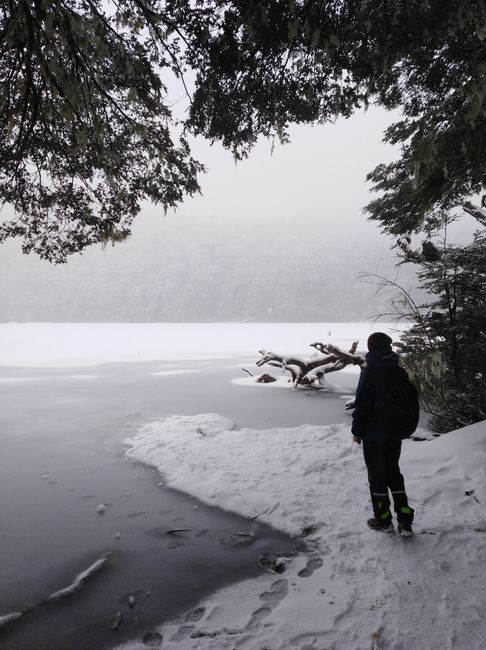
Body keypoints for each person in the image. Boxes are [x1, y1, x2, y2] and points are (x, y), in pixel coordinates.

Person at [352, 332, 415, 537]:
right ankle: (405, 521)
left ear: (371, 348)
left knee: (377, 477)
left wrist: (357, 431)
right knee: (394, 474)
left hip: (374, 435)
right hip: (394, 432)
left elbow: (362, 404)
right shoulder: (398, 370)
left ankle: (383, 520)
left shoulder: (369, 371)